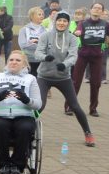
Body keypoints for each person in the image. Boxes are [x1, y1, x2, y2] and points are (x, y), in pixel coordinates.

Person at [34, 11, 95, 147]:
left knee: (75, 106)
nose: (62, 23)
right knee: (40, 105)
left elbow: (73, 56)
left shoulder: (72, 38)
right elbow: (38, 52)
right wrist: (45, 57)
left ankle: (88, 133)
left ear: (68, 23)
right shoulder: (45, 35)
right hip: (44, 76)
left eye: (65, 21)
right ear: (55, 21)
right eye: (59, 20)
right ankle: (27, 130)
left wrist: (65, 64)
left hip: (63, 77)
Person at [0, 51, 42, 174]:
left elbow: (38, 104)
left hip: (24, 115)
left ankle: (17, 165)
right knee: (0, 127)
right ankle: (3, 164)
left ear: (24, 64)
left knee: (25, 128)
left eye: (17, 60)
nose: (14, 62)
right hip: (0, 115)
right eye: (11, 60)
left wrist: (26, 100)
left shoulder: (30, 79)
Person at [72, 2, 109, 117]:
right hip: (83, 55)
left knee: (96, 83)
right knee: (76, 82)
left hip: (97, 56)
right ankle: (69, 106)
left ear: (102, 12)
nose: (97, 10)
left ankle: (93, 109)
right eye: (95, 8)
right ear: (90, 10)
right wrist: (77, 33)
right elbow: (77, 31)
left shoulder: (106, 25)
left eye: (99, 9)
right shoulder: (83, 23)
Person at [18, 7, 46, 76]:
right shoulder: (24, 29)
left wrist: (33, 43)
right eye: (39, 14)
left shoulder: (45, 31)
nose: (42, 16)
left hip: (40, 62)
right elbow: (22, 45)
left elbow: (47, 46)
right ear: (32, 16)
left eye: (43, 14)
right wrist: (39, 44)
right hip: (27, 61)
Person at [0, 5, 14, 71]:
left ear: (3, 11)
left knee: (7, 53)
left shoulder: (9, 17)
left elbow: (10, 26)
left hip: (8, 38)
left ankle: (7, 66)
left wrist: (3, 30)